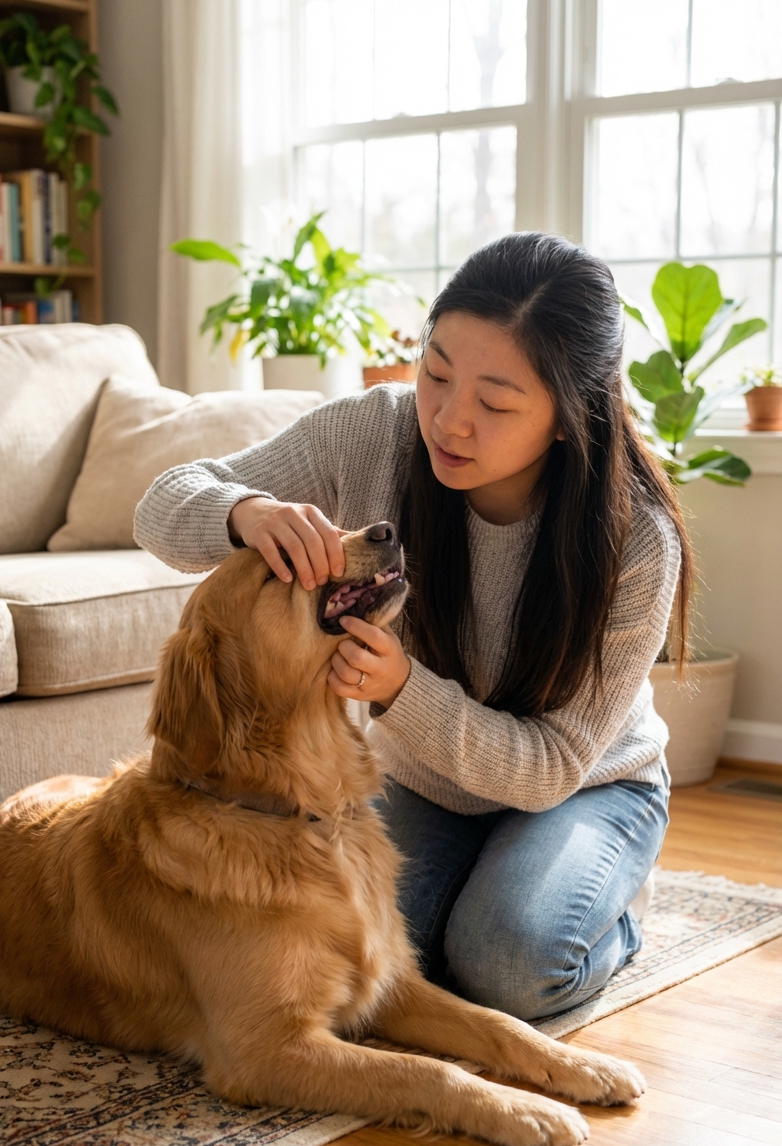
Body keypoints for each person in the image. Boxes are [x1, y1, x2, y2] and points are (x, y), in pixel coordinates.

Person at [134, 231, 692, 1022]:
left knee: (506, 964)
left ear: (570, 418)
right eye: (435, 374)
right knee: (370, 965)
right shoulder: (374, 431)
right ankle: (488, 879)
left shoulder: (636, 541)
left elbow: (550, 767)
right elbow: (159, 506)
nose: (449, 421)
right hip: (429, 783)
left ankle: (617, 917)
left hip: (584, 791)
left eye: (495, 403)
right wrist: (243, 511)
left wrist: (401, 689)